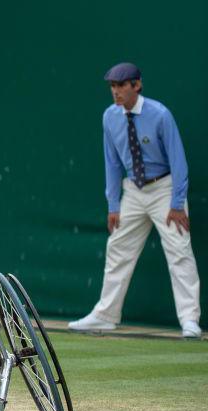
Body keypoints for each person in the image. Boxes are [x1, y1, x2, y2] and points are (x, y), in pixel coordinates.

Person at [69, 63, 201, 339]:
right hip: (133, 191)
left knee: (179, 251)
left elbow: (178, 161)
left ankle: (190, 320)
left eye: (121, 85)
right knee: (117, 249)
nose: (116, 91)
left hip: (165, 189)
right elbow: (112, 162)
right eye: (112, 86)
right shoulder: (110, 117)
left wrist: (177, 203)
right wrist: (113, 204)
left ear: (137, 85)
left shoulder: (160, 114)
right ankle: (105, 316)